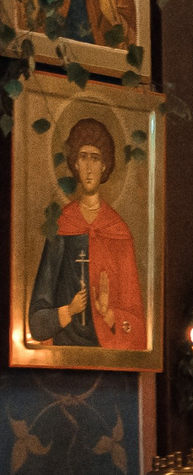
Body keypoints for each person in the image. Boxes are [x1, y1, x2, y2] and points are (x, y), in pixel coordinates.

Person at [26, 118, 146, 349]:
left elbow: (138, 328)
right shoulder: (63, 224)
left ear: (104, 166)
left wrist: (109, 314)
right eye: (83, 157)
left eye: (96, 158)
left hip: (105, 349)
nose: (89, 167)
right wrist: (68, 311)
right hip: (63, 347)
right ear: (75, 164)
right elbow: (37, 322)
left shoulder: (118, 231)